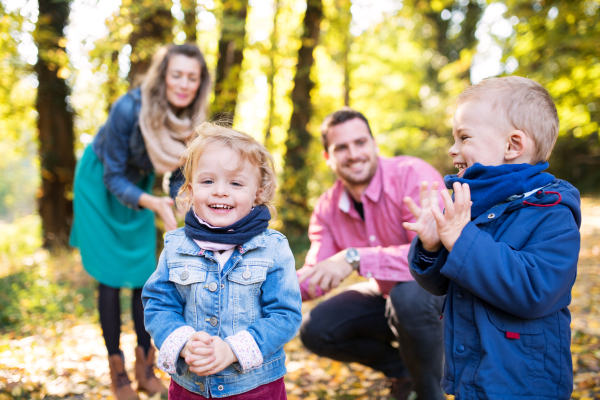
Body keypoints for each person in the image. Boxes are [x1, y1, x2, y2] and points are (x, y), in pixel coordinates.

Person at [405, 76, 580, 399]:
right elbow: (442, 286)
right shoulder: (473, 204)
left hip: (524, 382)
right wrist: (432, 247)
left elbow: (535, 289)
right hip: (471, 372)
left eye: (464, 137)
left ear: (512, 145)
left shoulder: (552, 211)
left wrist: (461, 239)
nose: (452, 149)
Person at [70, 44, 211, 400]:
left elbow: (180, 176)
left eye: (191, 78)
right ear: (162, 75)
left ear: (200, 83)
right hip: (101, 185)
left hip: (141, 189)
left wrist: (185, 207)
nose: (183, 84)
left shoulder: (192, 121)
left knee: (145, 272)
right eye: (176, 74)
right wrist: (152, 203)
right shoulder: (128, 109)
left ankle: (145, 368)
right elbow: (114, 175)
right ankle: (117, 372)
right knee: (111, 276)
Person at [142, 122, 302, 399]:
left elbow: (285, 315)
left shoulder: (273, 248)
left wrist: (234, 349)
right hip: (190, 387)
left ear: (258, 192)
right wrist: (183, 341)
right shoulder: (176, 246)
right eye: (208, 181)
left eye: (236, 183)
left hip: (255, 387)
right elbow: (158, 304)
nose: (220, 191)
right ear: (190, 191)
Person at [297, 108, 447, 400]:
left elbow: (431, 257)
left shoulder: (412, 175)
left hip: (441, 300)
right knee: (316, 328)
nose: (353, 154)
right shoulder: (327, 207)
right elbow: (315, 273)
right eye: (341, 147)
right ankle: (404, 371)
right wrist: (263, 290)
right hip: (388, 299)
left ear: (374, 144)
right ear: (328, 157)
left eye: (360, 142)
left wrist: (356, 257)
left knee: (409, 297)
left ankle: (430, 392)